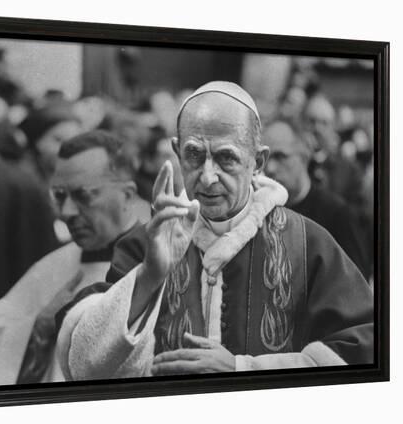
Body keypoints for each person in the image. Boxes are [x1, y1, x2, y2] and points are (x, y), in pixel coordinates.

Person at [55, 82, 373, 380]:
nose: (207, 177)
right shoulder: (148, 243)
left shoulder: (308, 243)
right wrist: (148, 277)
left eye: (225, 158)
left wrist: (242, 369)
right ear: (177, 151)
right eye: (194, 155)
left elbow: (366, 348)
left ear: (258, 161)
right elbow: (82, 365)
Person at [0, 130, 142, 386]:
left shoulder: (164, 264)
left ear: (127, 195)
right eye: (59, 195)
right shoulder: (50, 270)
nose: (66, 212)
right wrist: (41, 324)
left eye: (84, 195)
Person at [262, 119, 370, 279]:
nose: (270, 168)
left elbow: (358, 283)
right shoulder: (261, 212)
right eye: (265, 158)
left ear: (304, 155)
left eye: (280, 156)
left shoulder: (336, 214)